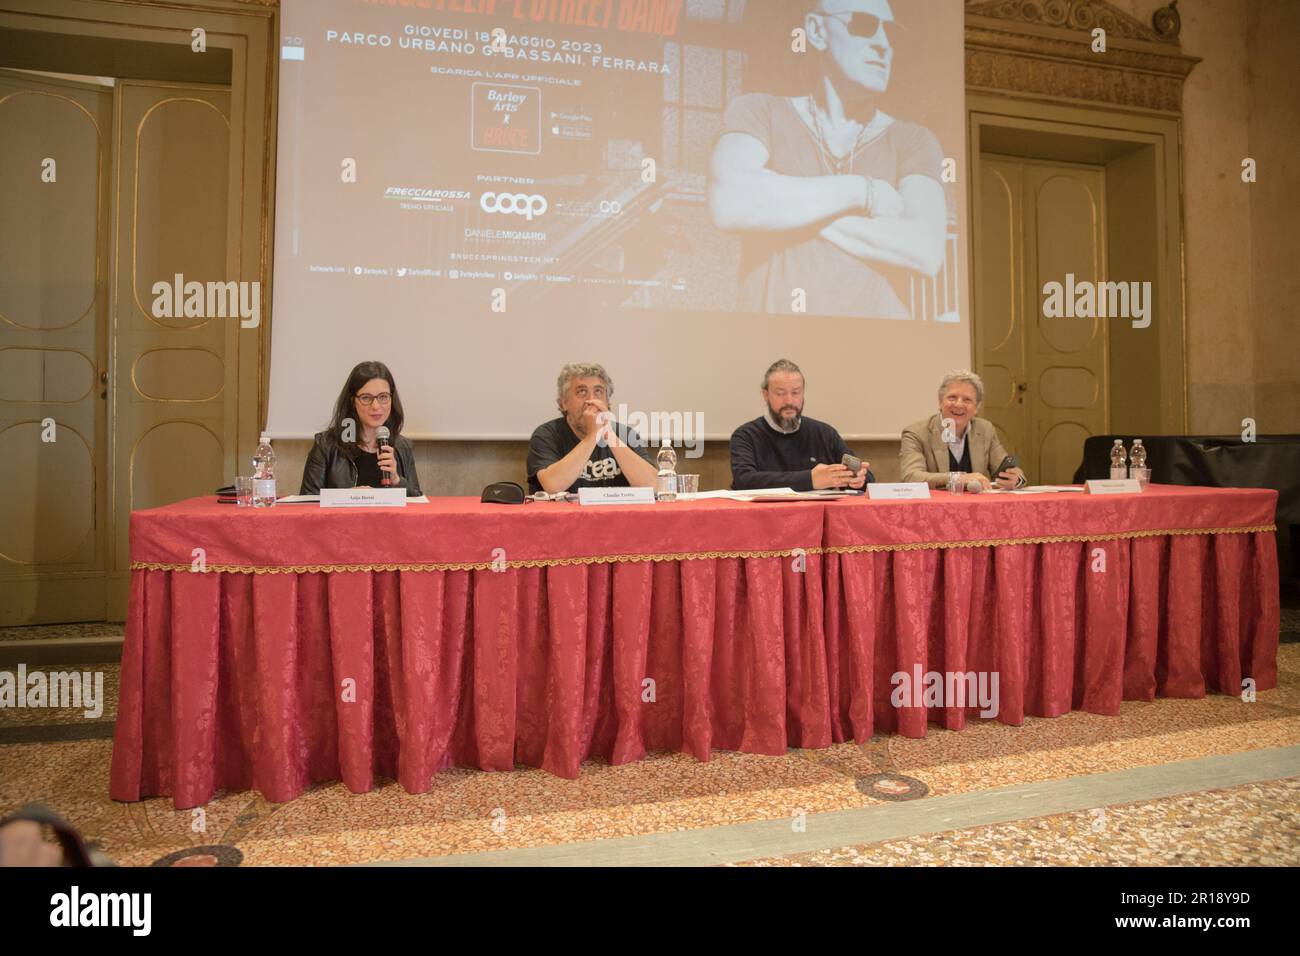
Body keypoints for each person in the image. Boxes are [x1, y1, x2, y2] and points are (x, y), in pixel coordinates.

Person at [708, 0, 947, 318]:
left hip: (881, 351)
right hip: (777, 352)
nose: (883, 45)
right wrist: (863, 192)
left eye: (891, 33)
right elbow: (730, 203)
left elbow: (925, 251)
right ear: (817, 31)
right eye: (864, 24)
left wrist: (783, 204)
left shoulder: (912, 140)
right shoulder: (760, 112)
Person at [730, 358, 873, 491]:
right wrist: (810, 479)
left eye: (796, 393)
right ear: (765, 395)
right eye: (780, 393)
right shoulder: (746, 436)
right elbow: (744, 480)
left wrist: (859, 479)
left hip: (816, 516)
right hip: (764, 517)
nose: (789, 401)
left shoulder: (824, 433)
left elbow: (867, 478)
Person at [527, 363, 658, 495]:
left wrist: (609, 435)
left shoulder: (626, 435)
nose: (591, 400)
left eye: (598, 391)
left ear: (607, 401)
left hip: (616, 515)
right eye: (581, 392)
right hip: (565, 515)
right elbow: (553, 486)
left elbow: (654, 486)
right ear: (563, 403)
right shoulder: (546, 435)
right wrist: (593, 435)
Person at [300, 360, 422, 496]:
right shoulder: (326, 446)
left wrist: (397, 480)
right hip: (342, 518)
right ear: (353, 402)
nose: (376, 406)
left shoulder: (402, 447)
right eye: (366, 398)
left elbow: (417, 504)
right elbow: (306, 505)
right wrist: (348, 498)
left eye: (383, 397)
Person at [899, 369, 1026, 489]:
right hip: (935, 508)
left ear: (976, 407)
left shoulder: (985, 429)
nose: (959, 404)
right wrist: (956, 478)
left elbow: (1008, 470)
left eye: (967, 400)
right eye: (952, 397)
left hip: (978, 507)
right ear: (940, 402)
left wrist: (1016, 479)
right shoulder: (916, 433)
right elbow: (911, 476)